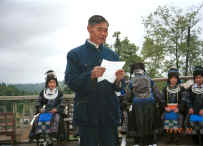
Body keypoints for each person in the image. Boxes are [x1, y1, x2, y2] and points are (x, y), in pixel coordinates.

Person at [64, 15, 125, 146]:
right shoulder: (75, 54)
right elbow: (70, 81)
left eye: (106, 30)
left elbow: (119, 87)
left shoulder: (112, 55)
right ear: (89, 29)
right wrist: (90, 75)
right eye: (100, 29)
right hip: (87, 116)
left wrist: (119, 81)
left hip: (109, 115)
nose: (104, 33)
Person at [125, 62, 161, 146]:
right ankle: (152, 142)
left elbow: (128, 95)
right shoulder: (149, 79)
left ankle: (137, 142)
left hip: (137, 103)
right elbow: (156, 92)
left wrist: (125, 102)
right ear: (143, 70)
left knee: (137, 123)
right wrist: (160, 101)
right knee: (150, 122)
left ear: (134, 71)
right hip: (150, 101)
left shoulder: (131, 80)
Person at [29, 70, 65, 143]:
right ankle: (45, 137)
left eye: (54, 82)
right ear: (47, 83)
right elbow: (39, 102)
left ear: (56, 83)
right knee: (38, 118)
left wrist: (56, 109)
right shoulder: (43, 92)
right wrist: (40, 108)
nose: (52, 84)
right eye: (50, 82)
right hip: (45, 111)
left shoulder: (59, 93)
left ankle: (55, 137)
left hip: (56, 112)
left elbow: (62, 103)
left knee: (57, 118)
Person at [185, 66, 203, 146]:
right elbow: (188, 99)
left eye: (200, 77)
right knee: (193, 126)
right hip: (194, 111)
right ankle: (196, 141)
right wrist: (190, 107)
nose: (198, 79)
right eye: (196, 78)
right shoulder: (191, 88)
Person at [161, 68, 186, 144]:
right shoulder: (165, 89)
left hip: (177, 109)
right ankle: (169, 136)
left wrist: (179, 108)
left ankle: (177, 137)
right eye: (172, 78)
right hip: (168, 108)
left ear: (177, 79)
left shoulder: (181, 89)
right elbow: (162, 100)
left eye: (175, 78)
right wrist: (165, 107)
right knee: (165, 118)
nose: (173, 80)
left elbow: (184, 100)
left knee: (180, 118)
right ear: (169, 79)